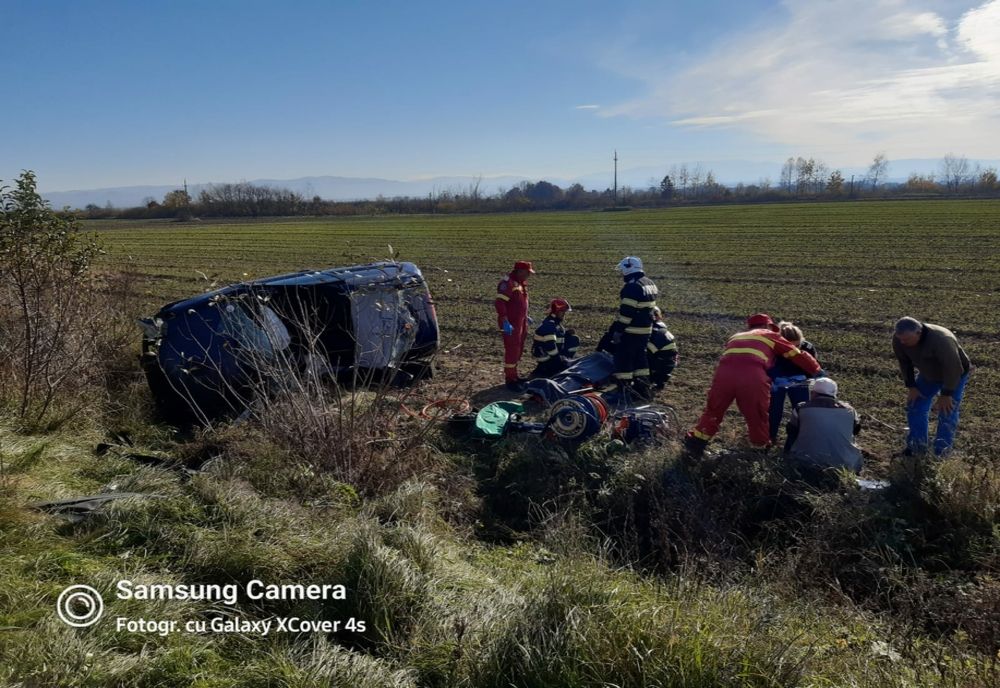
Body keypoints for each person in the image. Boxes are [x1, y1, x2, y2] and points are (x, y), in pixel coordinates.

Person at [683, 313, 821, 460]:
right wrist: (818, 371)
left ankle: (695, 445)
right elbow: (796, 354)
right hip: (751, 377)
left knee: (713, 411)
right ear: (767, 326)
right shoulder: (770, 335)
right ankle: (759, 450)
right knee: (757, 414)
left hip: (723, 376)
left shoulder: (736, 336)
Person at [892, 317, 971, 457]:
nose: (903, 343)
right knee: (915, 405)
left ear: (918, 332)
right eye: (901, 339)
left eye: (907, 340)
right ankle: (917, 447)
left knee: (947, 411)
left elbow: (954, 368)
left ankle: (941, 452)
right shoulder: (900, 339)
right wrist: (911, 386)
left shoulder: (941, 340)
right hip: (929, 374)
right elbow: (904, 363)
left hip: (955, 374)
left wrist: (946, 394)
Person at [600, 256, 658, 400]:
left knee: (624, 360)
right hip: (645, 331)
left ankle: (624, 391)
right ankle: (643, 389)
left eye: (623, 270)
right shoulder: (649, 283)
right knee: (641, 361)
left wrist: (618, 331)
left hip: (632, 331)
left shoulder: (632, 287)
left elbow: (627, 313)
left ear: (629, 268)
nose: (622, 274)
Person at [784, 377, 863, 473]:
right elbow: (855, 431)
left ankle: (787, 460)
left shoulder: (801, 408)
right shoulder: (850, 410)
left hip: (805, 463)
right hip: (845, 466)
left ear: (813, 393)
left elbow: (791, 431)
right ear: (834, 394)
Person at [768, 321, 820, 443]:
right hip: (777, 380)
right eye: (789, 347)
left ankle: (800, 439)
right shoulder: (772, 348)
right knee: (774, 410)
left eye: (797, 346)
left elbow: (812, 367)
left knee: (802, 410)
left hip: (799, 380)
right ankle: (770, 438)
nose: (794, 350)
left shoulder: (808, 348)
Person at [495, 260, 534, 391]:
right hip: (510, 323)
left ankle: (515, 375)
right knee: (512, 350)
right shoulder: (508, 283)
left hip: (520, 321)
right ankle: (510, 379)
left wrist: (525, 316)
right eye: (527, 273)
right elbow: (500, 302)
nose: (528, 275)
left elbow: (520, 302)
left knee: (518, 348)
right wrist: (504, 320)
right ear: (519, 271)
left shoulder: (520, 283)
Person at [530, 298, 580, 378]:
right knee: (567, 366)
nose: (564, 314)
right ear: (556, 311)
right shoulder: (550, 324)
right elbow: (550, 346)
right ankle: (552, 369)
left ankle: (562, 363)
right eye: (562, 312)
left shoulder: (554, 322)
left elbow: (557, 337)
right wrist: (559, 361)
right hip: (546, 358)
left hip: (549, 356)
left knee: (573, 339)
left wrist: (566, 334)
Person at [647, 307, 678, 392]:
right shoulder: (661, 330)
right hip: (666, 364)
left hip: (661, 364)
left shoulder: (656, 332)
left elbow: (647, 352)